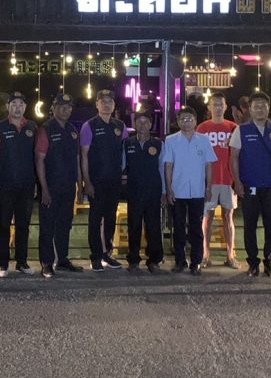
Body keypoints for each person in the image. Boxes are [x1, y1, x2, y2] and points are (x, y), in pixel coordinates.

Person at [229, 92, 271, 278]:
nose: (259, 109)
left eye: (263, 106)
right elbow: (234, 157)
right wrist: (237, 181)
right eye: (256, 106)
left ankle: (270, 263)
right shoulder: (241, 130)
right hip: (249, 186)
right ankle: (253, 263)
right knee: (249, 226)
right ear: (250, 109)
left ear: (268, 108)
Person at [0, 91, 39, 277]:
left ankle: (22, 262)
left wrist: (36, 182)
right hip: (5, 184)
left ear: (25, 107)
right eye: (14, 104)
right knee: (3, 225)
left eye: (20, 104)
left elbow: (36, 157)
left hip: (26, 184)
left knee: (23, 225)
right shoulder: (0, 128)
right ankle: (3, 264)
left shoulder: (32, 127)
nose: (17, 107)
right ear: (8, 107)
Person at [163, 107, 216, 275]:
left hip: (198, 191)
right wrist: (168, 189)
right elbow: (168, 166)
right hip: (178, 190)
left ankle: (196, 262)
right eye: (183, 119)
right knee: (178, 228)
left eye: (190, 119)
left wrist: (209, 187)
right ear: (178, 122)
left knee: (196, 228)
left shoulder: (204, 140)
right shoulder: (171, 140)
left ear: (195, 120)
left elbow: (209, 165)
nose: (186, 122)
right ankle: (180, 261)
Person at [36, 93, 84, 278]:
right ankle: (46, 263)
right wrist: (44, 189)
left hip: (68, 186)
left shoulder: (72, 130)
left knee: (65, 224)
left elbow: (77, 160)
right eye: (62, 107)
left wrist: (80, 186)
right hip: (51, 186)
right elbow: (39, 160)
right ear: (54, 108)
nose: (66, 110)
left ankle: (62, 259)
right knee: (47, 225)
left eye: (69, 107)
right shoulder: (46, 129)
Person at [81, 89, 126, 272]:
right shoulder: (89, 126)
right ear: (97, 104)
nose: (106, 105)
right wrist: (87, 181)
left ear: (114, 105)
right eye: (103, 102)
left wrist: (123, 174)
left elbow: (124, 152)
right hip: (96, 180)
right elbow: (84, 155)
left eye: (109, 102)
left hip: (114, 180)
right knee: (95, 218)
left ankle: (107, 252)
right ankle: (95, 256)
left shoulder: (120, 125)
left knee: (110, 217)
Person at [197, 94, 239, 269]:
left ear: (226, 106)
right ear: (209, 107)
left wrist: (238, 180)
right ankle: (205, 254)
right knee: (208, 217)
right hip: (210, 181)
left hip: (229, 180)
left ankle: (231, 255)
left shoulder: (234, 128)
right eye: (215, 105)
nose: (218, 108)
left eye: (221, 104)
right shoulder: (202, 128)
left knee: (228, 216)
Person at [123, 112, 165, 274]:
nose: (142, 125)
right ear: (134, 124)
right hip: (134, 191)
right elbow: (122, 166)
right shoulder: (127, 143)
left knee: (153, 226)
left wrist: (164, 191)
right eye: (139, 122)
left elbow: (162, 168)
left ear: (151, 124)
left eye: (145, 122)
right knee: (134, 226)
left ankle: (154, 260)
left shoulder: (158, 144)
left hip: (153, 191)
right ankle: (133, 259)